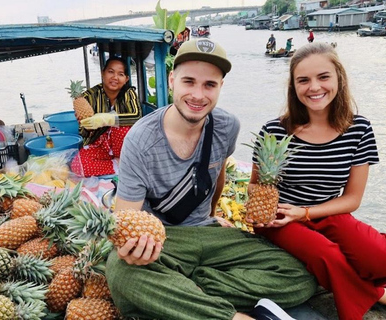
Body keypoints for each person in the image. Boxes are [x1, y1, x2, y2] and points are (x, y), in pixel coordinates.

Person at [105, 38, 317, 320]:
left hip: (211, 234)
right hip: (166, 240)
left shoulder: (227, 126)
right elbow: (124, 221)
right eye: (189, 81)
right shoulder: (140, 140)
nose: (198, 95)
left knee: (300, 277)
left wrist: (214, 215)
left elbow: (217, 175)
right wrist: (132, 251)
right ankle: (232, 316)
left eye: (209, 85)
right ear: (172, 80)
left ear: (220, 88)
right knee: (120, 271)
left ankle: (183, 291)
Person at [249, 42, 386, 320]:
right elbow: (255, 185)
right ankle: (376, 294)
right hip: (281, 216)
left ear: (339, 79)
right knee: (328, 256)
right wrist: (268, 208)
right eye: (304, 80)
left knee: (379, 257)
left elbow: (352, 200)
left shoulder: (358, 129)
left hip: (328, 213)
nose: (314, 87)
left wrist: (308, 213)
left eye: (323, 77)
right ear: (294, 86)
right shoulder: (274, 130)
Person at [70, 56, 141, 177]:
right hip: (100, 144)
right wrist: (87, 125)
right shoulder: (88, 96)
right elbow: (83, 133)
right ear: (103, 73)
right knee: (78, 165)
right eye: (111, 72)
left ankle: (123, 161)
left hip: (124, 146)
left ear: (126, 79)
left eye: (121, 74)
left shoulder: (128, 93)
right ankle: (118, 165)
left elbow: (137, 116)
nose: (115, 77)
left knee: (121, 126)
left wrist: (108, 119)